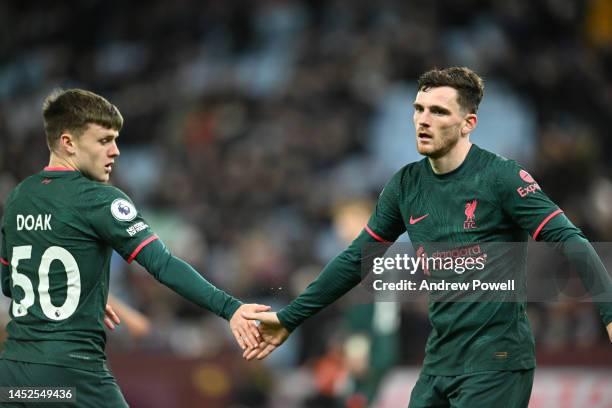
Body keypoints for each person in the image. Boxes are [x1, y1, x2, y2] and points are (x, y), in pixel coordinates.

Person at [242, 67, 612, 407]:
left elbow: (571, 240)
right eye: (419, 109)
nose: (423, 120)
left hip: (496, 363)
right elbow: (357, 259)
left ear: (469, 123)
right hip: (438, 363)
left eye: (438, 112)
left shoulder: (502, 177)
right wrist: (290, 317)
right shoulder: (405, 185)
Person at [0, 89, 268, 407]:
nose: (115, 151)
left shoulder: (20, 196)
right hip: (73, 373)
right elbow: (163, 265)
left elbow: (10, 284)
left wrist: (83, 295)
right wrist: (230, 309)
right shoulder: (100, 199)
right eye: (103, 141)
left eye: (115, 139)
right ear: (68, 142)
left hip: (15, 377)